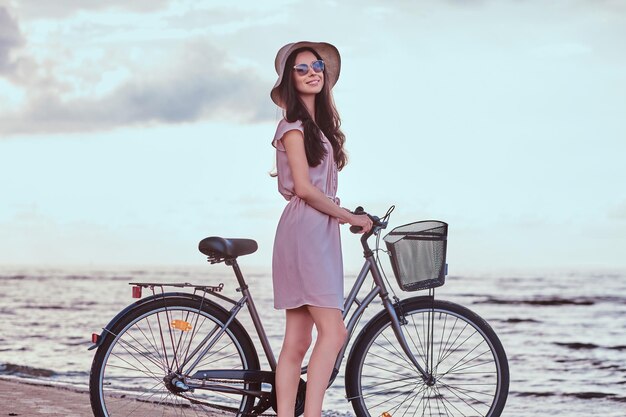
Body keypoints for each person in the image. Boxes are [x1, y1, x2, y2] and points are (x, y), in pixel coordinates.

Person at [269, 41, 373, 417]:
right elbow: (305, 188)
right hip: (307, 232)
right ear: (289, 79)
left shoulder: (318, 128)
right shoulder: (292, 126)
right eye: (302, 68)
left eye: (317, 66)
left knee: (298, 341)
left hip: (312, 230)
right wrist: (350, 217)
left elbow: (317, 191)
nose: (313, 72)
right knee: (335, 331)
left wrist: (343, 213)